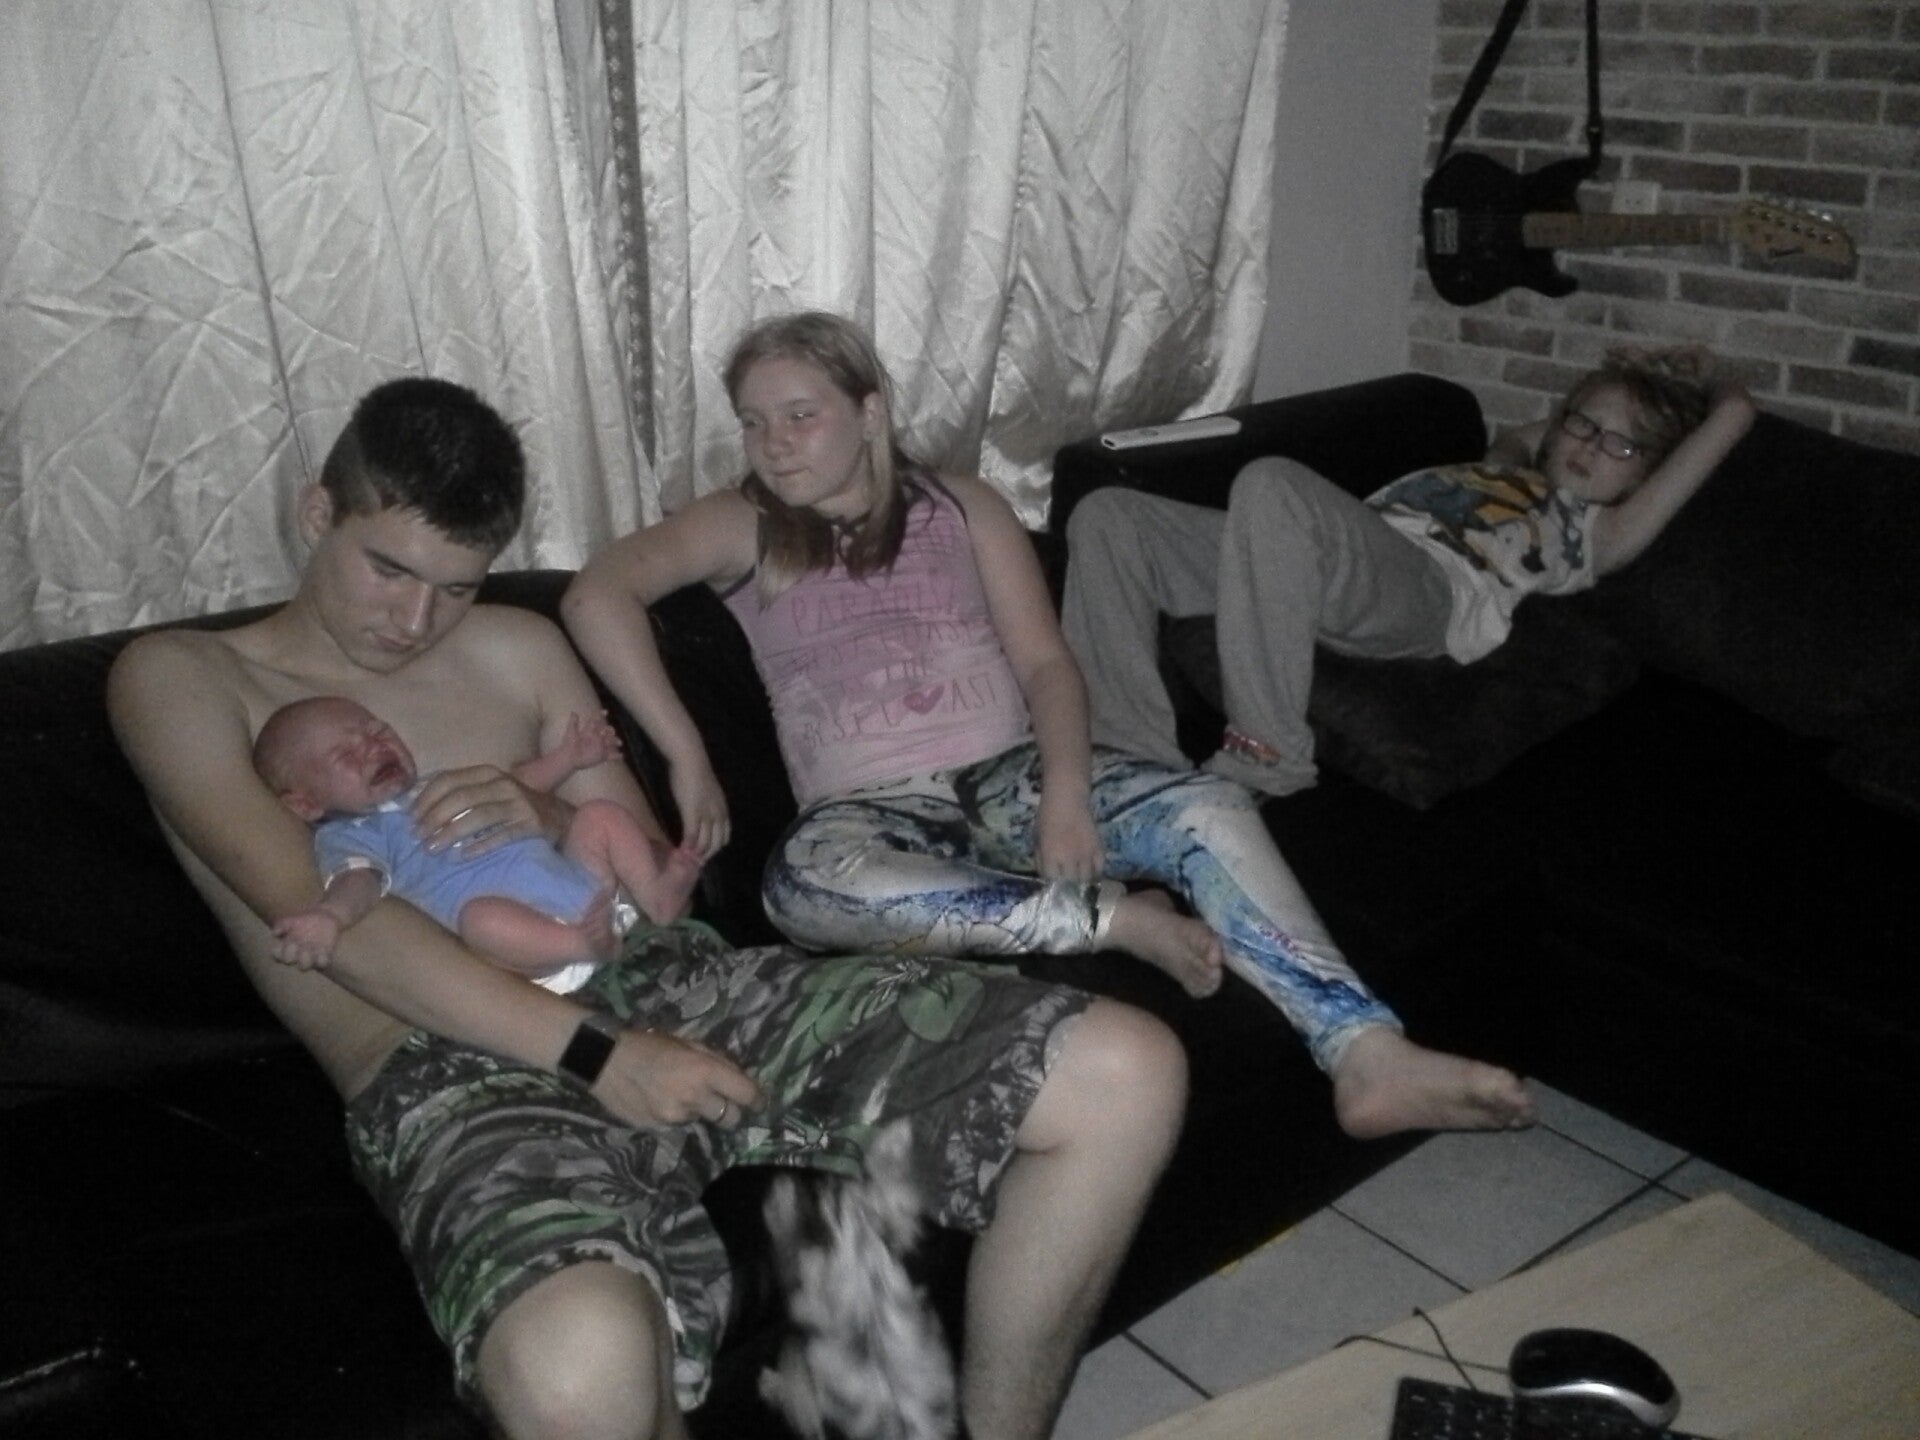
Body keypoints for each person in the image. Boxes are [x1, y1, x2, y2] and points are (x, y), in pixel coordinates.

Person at [108, 375, 1186, 1440]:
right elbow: (344, 930)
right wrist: (599, 1055)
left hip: (676, 986)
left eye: (457, 586)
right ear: (317, 513)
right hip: (444, 1062)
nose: (414, 620)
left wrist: (542, 811)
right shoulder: (186, 681)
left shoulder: (519, 647)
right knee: (578, 1375)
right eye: (388, 569)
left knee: (1126, 1074)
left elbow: (645, 878)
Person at [563, 310, 1531, 1140]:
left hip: (1010, 781)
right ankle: (1111, 921)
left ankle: (1365, 1052)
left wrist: (1067, 792)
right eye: (753, 422)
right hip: (866, 815)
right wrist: (686, 754)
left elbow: (1045, 665)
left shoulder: (963, 505)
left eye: (799, 415)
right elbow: (595, 594)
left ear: (870, 412)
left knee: (1207, 805)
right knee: (798, 885)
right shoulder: (742, 523)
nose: (773, 444)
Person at [1062, 348, 1757, 796]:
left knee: (1272, 483)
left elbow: (1734, 416)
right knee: (1108, 517)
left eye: (1622, 446)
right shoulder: (1501, 465)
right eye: (1584, 425)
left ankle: (1266, 753)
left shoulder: (1596, 531)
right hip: (1335, 559)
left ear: (1648, 474)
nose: (1592, 446)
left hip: (1429, 593)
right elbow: (1529, 436)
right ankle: (1130, 761)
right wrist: (1589, 408)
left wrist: (1706, 381)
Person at [253, 695, 704, 990]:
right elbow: (357, 883)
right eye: (347, 754)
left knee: (598, 815)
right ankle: (583, 945)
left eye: (379, 731)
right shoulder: (352, 836)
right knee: (479, 919)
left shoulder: (437, 783)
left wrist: (569, 758)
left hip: (591, 895)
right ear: (306, 804)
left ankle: (656, 895)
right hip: (536, 943)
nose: (374, 747)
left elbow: (519, 785)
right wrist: (330, 916)